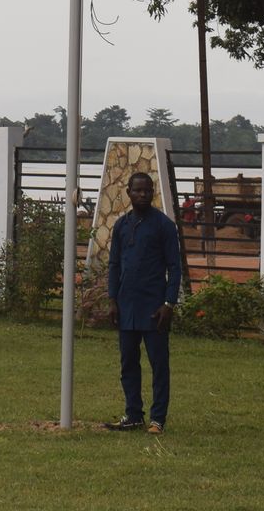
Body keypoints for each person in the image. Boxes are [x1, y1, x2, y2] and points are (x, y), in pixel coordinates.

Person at [104, 170, 181, 435]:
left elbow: (175, 267)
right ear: (128, 192)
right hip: (127, 306)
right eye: (138, 190)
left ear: (153, 192)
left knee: (159, 364)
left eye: (147, 190)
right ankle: (133, 414)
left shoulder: (163, 225)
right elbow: (114, 264)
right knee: (128, 363)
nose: (143, 194)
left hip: (154, 308)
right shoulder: (121, 226)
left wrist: (169, 303)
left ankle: (157, 419)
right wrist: (112, 299)